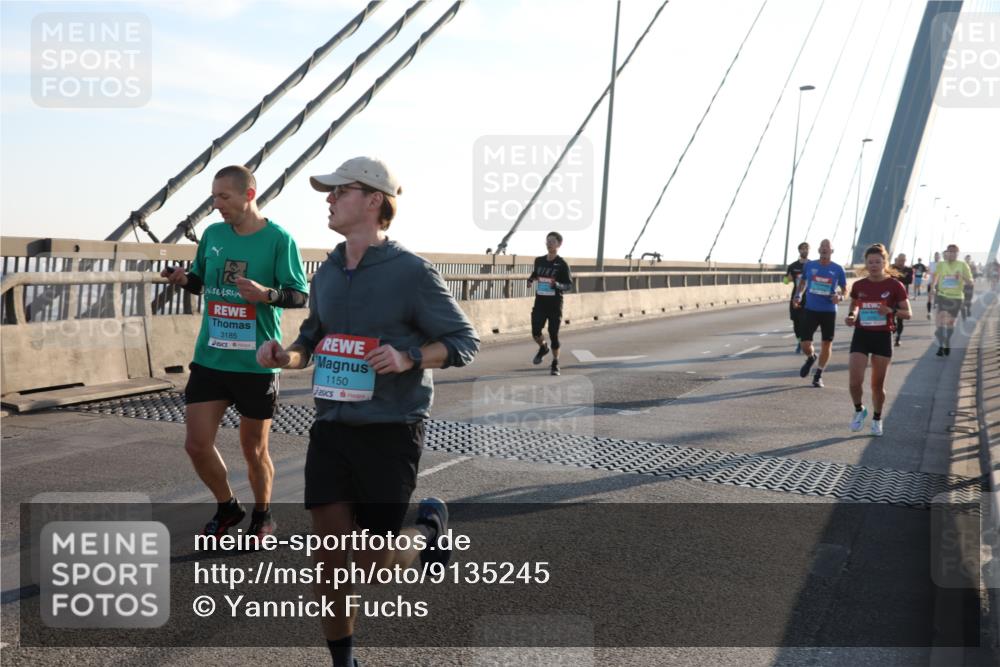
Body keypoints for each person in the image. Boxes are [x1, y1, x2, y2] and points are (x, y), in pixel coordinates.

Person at [256, 156, 479, 667]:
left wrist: (410, 357)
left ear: (374, 200)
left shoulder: (411, 273)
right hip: (332, 428)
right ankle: (344, 663)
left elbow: (464, 341)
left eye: (340, 191)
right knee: (329, 564)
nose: (329, 199)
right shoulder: (329, 270)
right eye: (329, 193)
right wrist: (284, 356)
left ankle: (426, 537)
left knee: (373, 566)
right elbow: (311, 338)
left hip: (391, 430)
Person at [160, 165, 309, 539]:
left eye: (223, 197)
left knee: (253, 449)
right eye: (213, 197)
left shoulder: (278, 239)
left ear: (249, 195)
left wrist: (267, 295)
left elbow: (299, 294)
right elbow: (200, 282)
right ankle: (227, 507)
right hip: (211, 358)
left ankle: (263, 516)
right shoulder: (212, 234)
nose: (216, 205)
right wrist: (184, 280)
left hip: (256, 364)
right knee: (196, 444)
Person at [845, 244, 911, 437]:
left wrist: (891, 311)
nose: (874, 265)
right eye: (870, 262)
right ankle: (859, 410)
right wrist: (852, 315)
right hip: (862, 334)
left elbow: (908, 313)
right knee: (854, 382)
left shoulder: (895, 286)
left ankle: (876, 418)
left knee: (877, 385)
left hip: (882, 336)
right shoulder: (859, 285)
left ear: (885, 263)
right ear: (866, 264)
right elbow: (855, 303)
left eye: (877, 262)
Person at [793, 238, 847, 388]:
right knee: (805, 343)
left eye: (827, 247)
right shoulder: (810, 266)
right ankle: (811, 357)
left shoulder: (838, 269)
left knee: (826, 343)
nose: (824, 249)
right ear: (818, 250)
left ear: (832, 251)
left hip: (828, 311)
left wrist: (840, 297)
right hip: (811, 309)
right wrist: (798, 295)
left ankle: (818, 375)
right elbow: (803, 282)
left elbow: (845, 290)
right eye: (822, 246)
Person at [527, 232, 573, 376]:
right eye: (547, 241)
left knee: (553, 334)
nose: (549, 244)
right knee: (535, 332)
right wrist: (530, 280)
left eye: (552, 241)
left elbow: (568, 285)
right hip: (540, 302)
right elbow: (536, 274)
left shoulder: (562, 264)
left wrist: (557, 285)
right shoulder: (539, 260)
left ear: (559, 244)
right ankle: (543, 347)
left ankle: (555, 363)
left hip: (555, 304)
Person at [930, 244, 973, 356]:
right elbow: (936, 277)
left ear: (957, 254)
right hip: (942, 296)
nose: (952, 254)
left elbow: (971, 282)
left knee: (950, 323)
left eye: (954, 252)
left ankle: (947, 341)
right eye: (950, 252)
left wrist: (962, 276)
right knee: (939, 322)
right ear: (946, 253)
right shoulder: (941, 264)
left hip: (956, 298)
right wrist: (933, 288)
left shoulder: (963, 265)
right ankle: (940, 345)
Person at [784, 242, 810, 353]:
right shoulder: (793, 266)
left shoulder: (813, 265)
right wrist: (787, 278)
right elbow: (785, 281)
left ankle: (805, 342)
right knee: (796, 323)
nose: (804, 251)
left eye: (806, 249)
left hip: (809, 297)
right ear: (799, 251)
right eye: (802, 249)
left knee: (806, 321)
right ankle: (800, 341)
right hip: (796, 297)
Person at [890, 253, 913, 346]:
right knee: (890, 317)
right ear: (896, 259)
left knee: (900, 319)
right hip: (891, 296)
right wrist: (903, 276)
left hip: (902, 297)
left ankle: (898, 338)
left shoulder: (909, 269)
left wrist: (898, 278)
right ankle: (891, 331)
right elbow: (888, 279)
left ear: (905, 260)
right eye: (900, 260)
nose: (901, 262)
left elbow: (909, 281)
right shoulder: (891, 268)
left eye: (903, 260)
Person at [962, 254, 978, 320]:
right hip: (962, 285)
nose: (968, 260)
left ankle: (968, 309)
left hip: (970, 285)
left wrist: (974, 278)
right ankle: (963, 313)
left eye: (969, 259)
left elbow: (976, 274)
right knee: (962, 299)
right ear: (965, 259)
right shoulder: (961, 266)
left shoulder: (973, 266)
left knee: (969, 298)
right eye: (967, 259)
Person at [926, 251, 941, 320]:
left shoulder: (941, 264)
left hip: (939, 284)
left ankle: (938, 314)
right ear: (934, 256)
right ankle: (929, 313)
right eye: (935, 255)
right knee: (929, 298)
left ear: (939, 257)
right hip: (930, 283)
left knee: (938, 299)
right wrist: (931, 273)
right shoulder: (931, 263)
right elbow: (928, 272)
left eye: (938, 256)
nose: (936, 257)